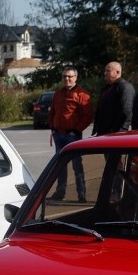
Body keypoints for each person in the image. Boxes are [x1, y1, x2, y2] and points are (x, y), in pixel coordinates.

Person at [48, 67, 92, 202]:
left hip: (73, 136)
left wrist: (77, 130)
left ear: (76, 78)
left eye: (70, 76)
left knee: (77, 165)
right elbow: (53, 112)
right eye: (64, 77)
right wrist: (53, 128)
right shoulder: (58, 93)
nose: (67, 79)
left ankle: (81, 194)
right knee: (60, 166)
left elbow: (87, 116)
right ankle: (60, 192)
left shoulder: (82, 95)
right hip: (59, 135)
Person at [92, 61, 133, 136]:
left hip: (115, 133)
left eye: (108, 71)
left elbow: (126, 111)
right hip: (102, 132)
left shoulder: (124, 87)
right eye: (105, 71)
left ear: (117, 72)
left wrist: (120, 130)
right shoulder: (106, 88)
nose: (105, 73)